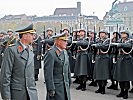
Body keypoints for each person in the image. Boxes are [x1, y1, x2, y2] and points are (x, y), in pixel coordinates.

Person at [0, 24, 38, 100]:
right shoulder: (11, 50)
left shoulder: (30, 49)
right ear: (24, 36)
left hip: (31, 92)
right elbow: (5, 75)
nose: (34, 37)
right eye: (31, 34)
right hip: (17, 93)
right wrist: (6, 97)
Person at [44, 32, 71, 100]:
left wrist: (69, 81)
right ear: (58, 41)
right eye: (64, 41)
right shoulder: (51, 53)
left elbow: (67, 69)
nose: (66, 43)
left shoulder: (64, 52)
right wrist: (50, 88)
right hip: (56, 88)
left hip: (64, 86)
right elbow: (48, 73)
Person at [113, 30, 133, 99]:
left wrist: (119, 45)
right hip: (120, 59)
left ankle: (126, 92)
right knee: (120, 77)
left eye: (124, 33)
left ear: (127, 34)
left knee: (126, 77)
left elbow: (128, 46)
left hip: (126, 60)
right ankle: (121, 91)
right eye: (122, 33)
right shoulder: (119, 41)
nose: (122, 34)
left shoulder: (130, 41)